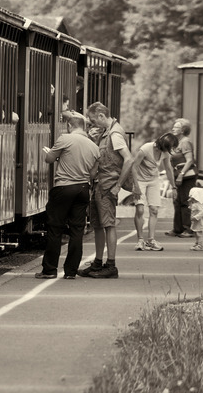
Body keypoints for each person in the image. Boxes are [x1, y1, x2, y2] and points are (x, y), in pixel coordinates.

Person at [35, 111, 100, 279]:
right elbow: (93, 174)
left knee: (55, 228)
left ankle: (49, 270)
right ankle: (71, 271)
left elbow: (49, 159)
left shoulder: (65, 139)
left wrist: (51, 154)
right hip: (83, 189)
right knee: (77, 230)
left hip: (63, 188)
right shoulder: (94, 147)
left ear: (69, 126)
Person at [80, 102, 133, 278]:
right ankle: (97, 263)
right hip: (99, 184)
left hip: (108, 186)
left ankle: (111, 265)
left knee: (109, 225)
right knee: (97, 225)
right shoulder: (106, 132)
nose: (93, 124)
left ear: (102, 116)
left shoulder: (115, 134)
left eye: (94, 120)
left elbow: (128, 159)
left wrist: (118, 186)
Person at [118, 132, 179, 251]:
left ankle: (151, 240)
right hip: (139, 180)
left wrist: (173, 187)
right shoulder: (145, 149)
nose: (169, 150)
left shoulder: (165, 153)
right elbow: (134, 167)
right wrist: (136, 186)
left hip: (153, 180)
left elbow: (168, 169)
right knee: (140, 209)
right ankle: (140, 240)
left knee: (154, 210)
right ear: (163, 145)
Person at [165, 118, 197, 238]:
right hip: (177, 175)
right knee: (177, 201)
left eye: (176, 127)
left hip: (186, 177)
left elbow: (190, 160)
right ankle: (177, 229)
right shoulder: (176, 142)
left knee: (185, 202)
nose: (173, 128)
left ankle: (188, 229)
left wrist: (181, 175)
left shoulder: (185, 142)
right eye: (174, 126)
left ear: (183, 130)